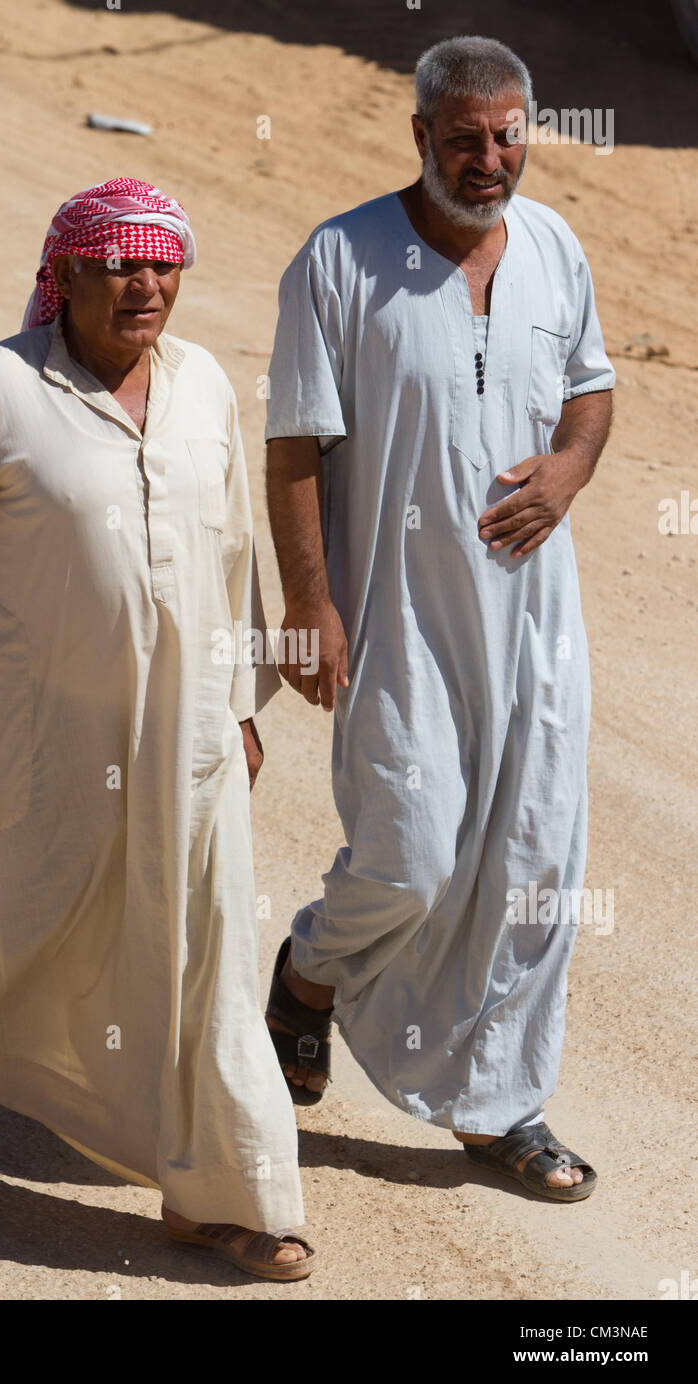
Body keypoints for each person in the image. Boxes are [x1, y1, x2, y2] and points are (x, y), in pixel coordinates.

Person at [0, 176, 314, 1279]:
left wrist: (242, 704)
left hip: (191, 732)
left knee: (205, 947)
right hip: (37, 729)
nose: (144, 285)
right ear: (65, 276)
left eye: (162, 266)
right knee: (14, 927)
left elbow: (234, 553)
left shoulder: (203, 386)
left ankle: (224, 1190)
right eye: (119, 265)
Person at [263, 37, 614, 1201]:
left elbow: (591, 387)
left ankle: (500, 1105)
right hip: (397, 615)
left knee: (529, 867)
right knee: (410, 858)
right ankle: (310, 970)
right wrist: (309, 602)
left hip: (534, 624)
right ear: (417, 137)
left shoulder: (554, 245)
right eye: (462, 137)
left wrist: (567, 470)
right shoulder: (339, 260)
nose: (487, 158)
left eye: (506, 133)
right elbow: (296, 445)